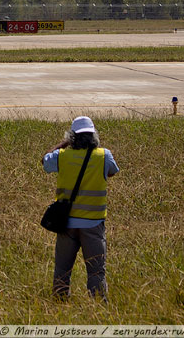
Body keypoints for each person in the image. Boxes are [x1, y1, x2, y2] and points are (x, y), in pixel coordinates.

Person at [43, 115, 119, 300]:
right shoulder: (103, 155)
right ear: (94, 136)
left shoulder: (62, 156)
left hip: (66, 223)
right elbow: (113, 171)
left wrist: (62, 144)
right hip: (93, 224)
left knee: (62, 269)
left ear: (72, 137)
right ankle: (99, 305)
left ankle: (59, 303)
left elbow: (44, 161)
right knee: (96, 272)